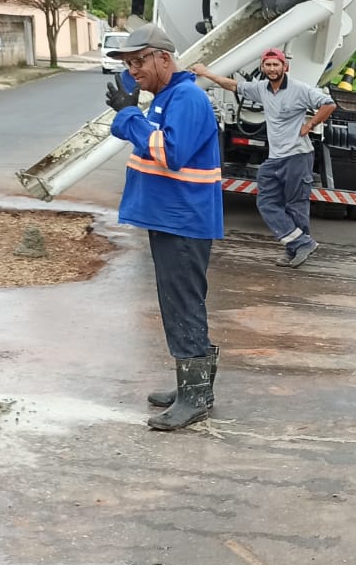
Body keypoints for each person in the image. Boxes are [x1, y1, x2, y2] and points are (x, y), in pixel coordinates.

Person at [103, 24, 225, 431]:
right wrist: (132, 107)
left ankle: (194, 397)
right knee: (179, 303)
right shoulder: (167, 97)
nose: (133, 70)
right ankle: (194, 386)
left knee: (183, 304)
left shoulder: (187, 98)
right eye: (129, 64)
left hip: (183, 221)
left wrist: (128, 116)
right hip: (171, 218)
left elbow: (168, 153)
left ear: (165, 59)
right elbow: (151, 140)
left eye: (140, 61)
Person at [191, 48, 336, 267]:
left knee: (295, 204)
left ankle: (295, 249)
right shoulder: (261, 89)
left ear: (284, 67)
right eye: (268, 65)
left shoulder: (299, 89)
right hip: (275, 157)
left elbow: (329, 104)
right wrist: (207, 73)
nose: (272, 69)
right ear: (262, 67)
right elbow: (232, 85)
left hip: (297, 155)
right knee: (266, 201)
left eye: (275, 65)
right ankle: (301, 242)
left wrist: (310, 124)